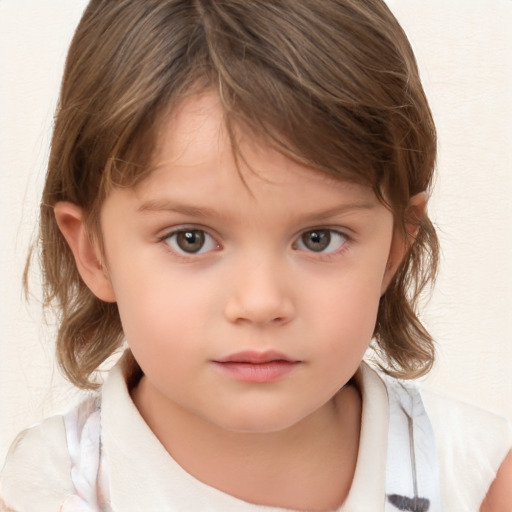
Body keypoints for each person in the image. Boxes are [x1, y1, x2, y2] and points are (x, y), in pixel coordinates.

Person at [1, 0, 510, 510]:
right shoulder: (46, 489)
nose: (260, 302)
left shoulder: (476, 478)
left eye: (319, 238)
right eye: (190, 239)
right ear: (94, 251)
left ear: (395, 248)